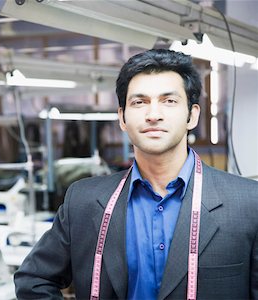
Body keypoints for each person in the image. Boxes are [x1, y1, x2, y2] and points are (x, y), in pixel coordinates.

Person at [14, 49, 258, 299]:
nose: (153, 115)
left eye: (169, 101)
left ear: (192, 115)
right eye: (139, 102)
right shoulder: (83, 202)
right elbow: (33, 280)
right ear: (122, 117)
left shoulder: (249, 204)